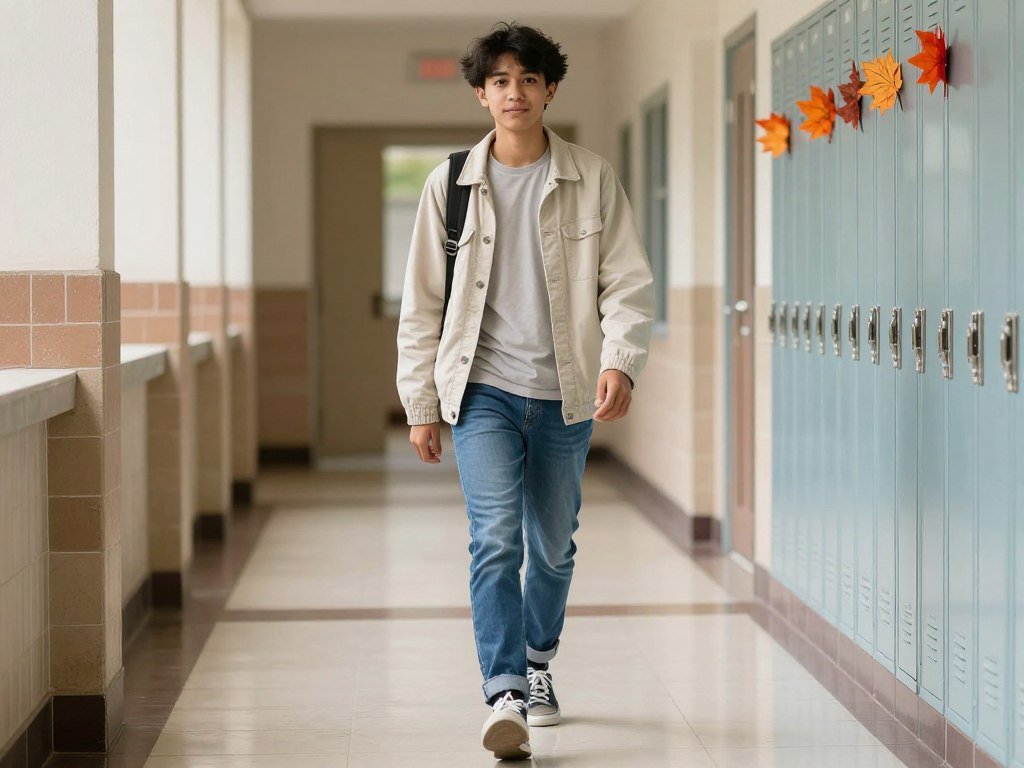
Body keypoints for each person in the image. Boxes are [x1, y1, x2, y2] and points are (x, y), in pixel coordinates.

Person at [396, 21, 654, 761]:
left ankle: (538, 659)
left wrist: (620, 359)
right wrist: (421, 405)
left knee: (553, 546)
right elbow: (422, 303)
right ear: (482, 94)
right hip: (483, 391)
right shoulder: (448, 185)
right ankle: (504, 688)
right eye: (500, 81)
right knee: (494, 538)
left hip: (565, 392)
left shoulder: (591, 178)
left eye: (528, 80)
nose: (515, 93)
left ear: (550, 91)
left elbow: (626, 281)